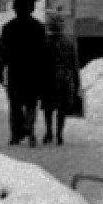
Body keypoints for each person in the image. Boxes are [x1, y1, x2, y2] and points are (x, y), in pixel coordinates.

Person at [0, 0, 48, 146]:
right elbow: (44, 53)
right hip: (33, 72)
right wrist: (45, 72)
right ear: (32, 9)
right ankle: (30, 129)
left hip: (15, 72)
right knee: (31, 103)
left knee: (15, 104)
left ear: (15, 9)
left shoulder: (8, 28)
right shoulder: (39, 28)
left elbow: (2, 52)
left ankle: (15, 134)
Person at [40, 13, 82, 145]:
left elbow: (40, 63)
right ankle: (59, 135)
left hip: (48, 77)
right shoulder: (69, 43)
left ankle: (48, 132)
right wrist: (76, 83)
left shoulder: (45, 43)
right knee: (62, 108)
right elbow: (74, 65)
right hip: (65, 78)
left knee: (48, 107)